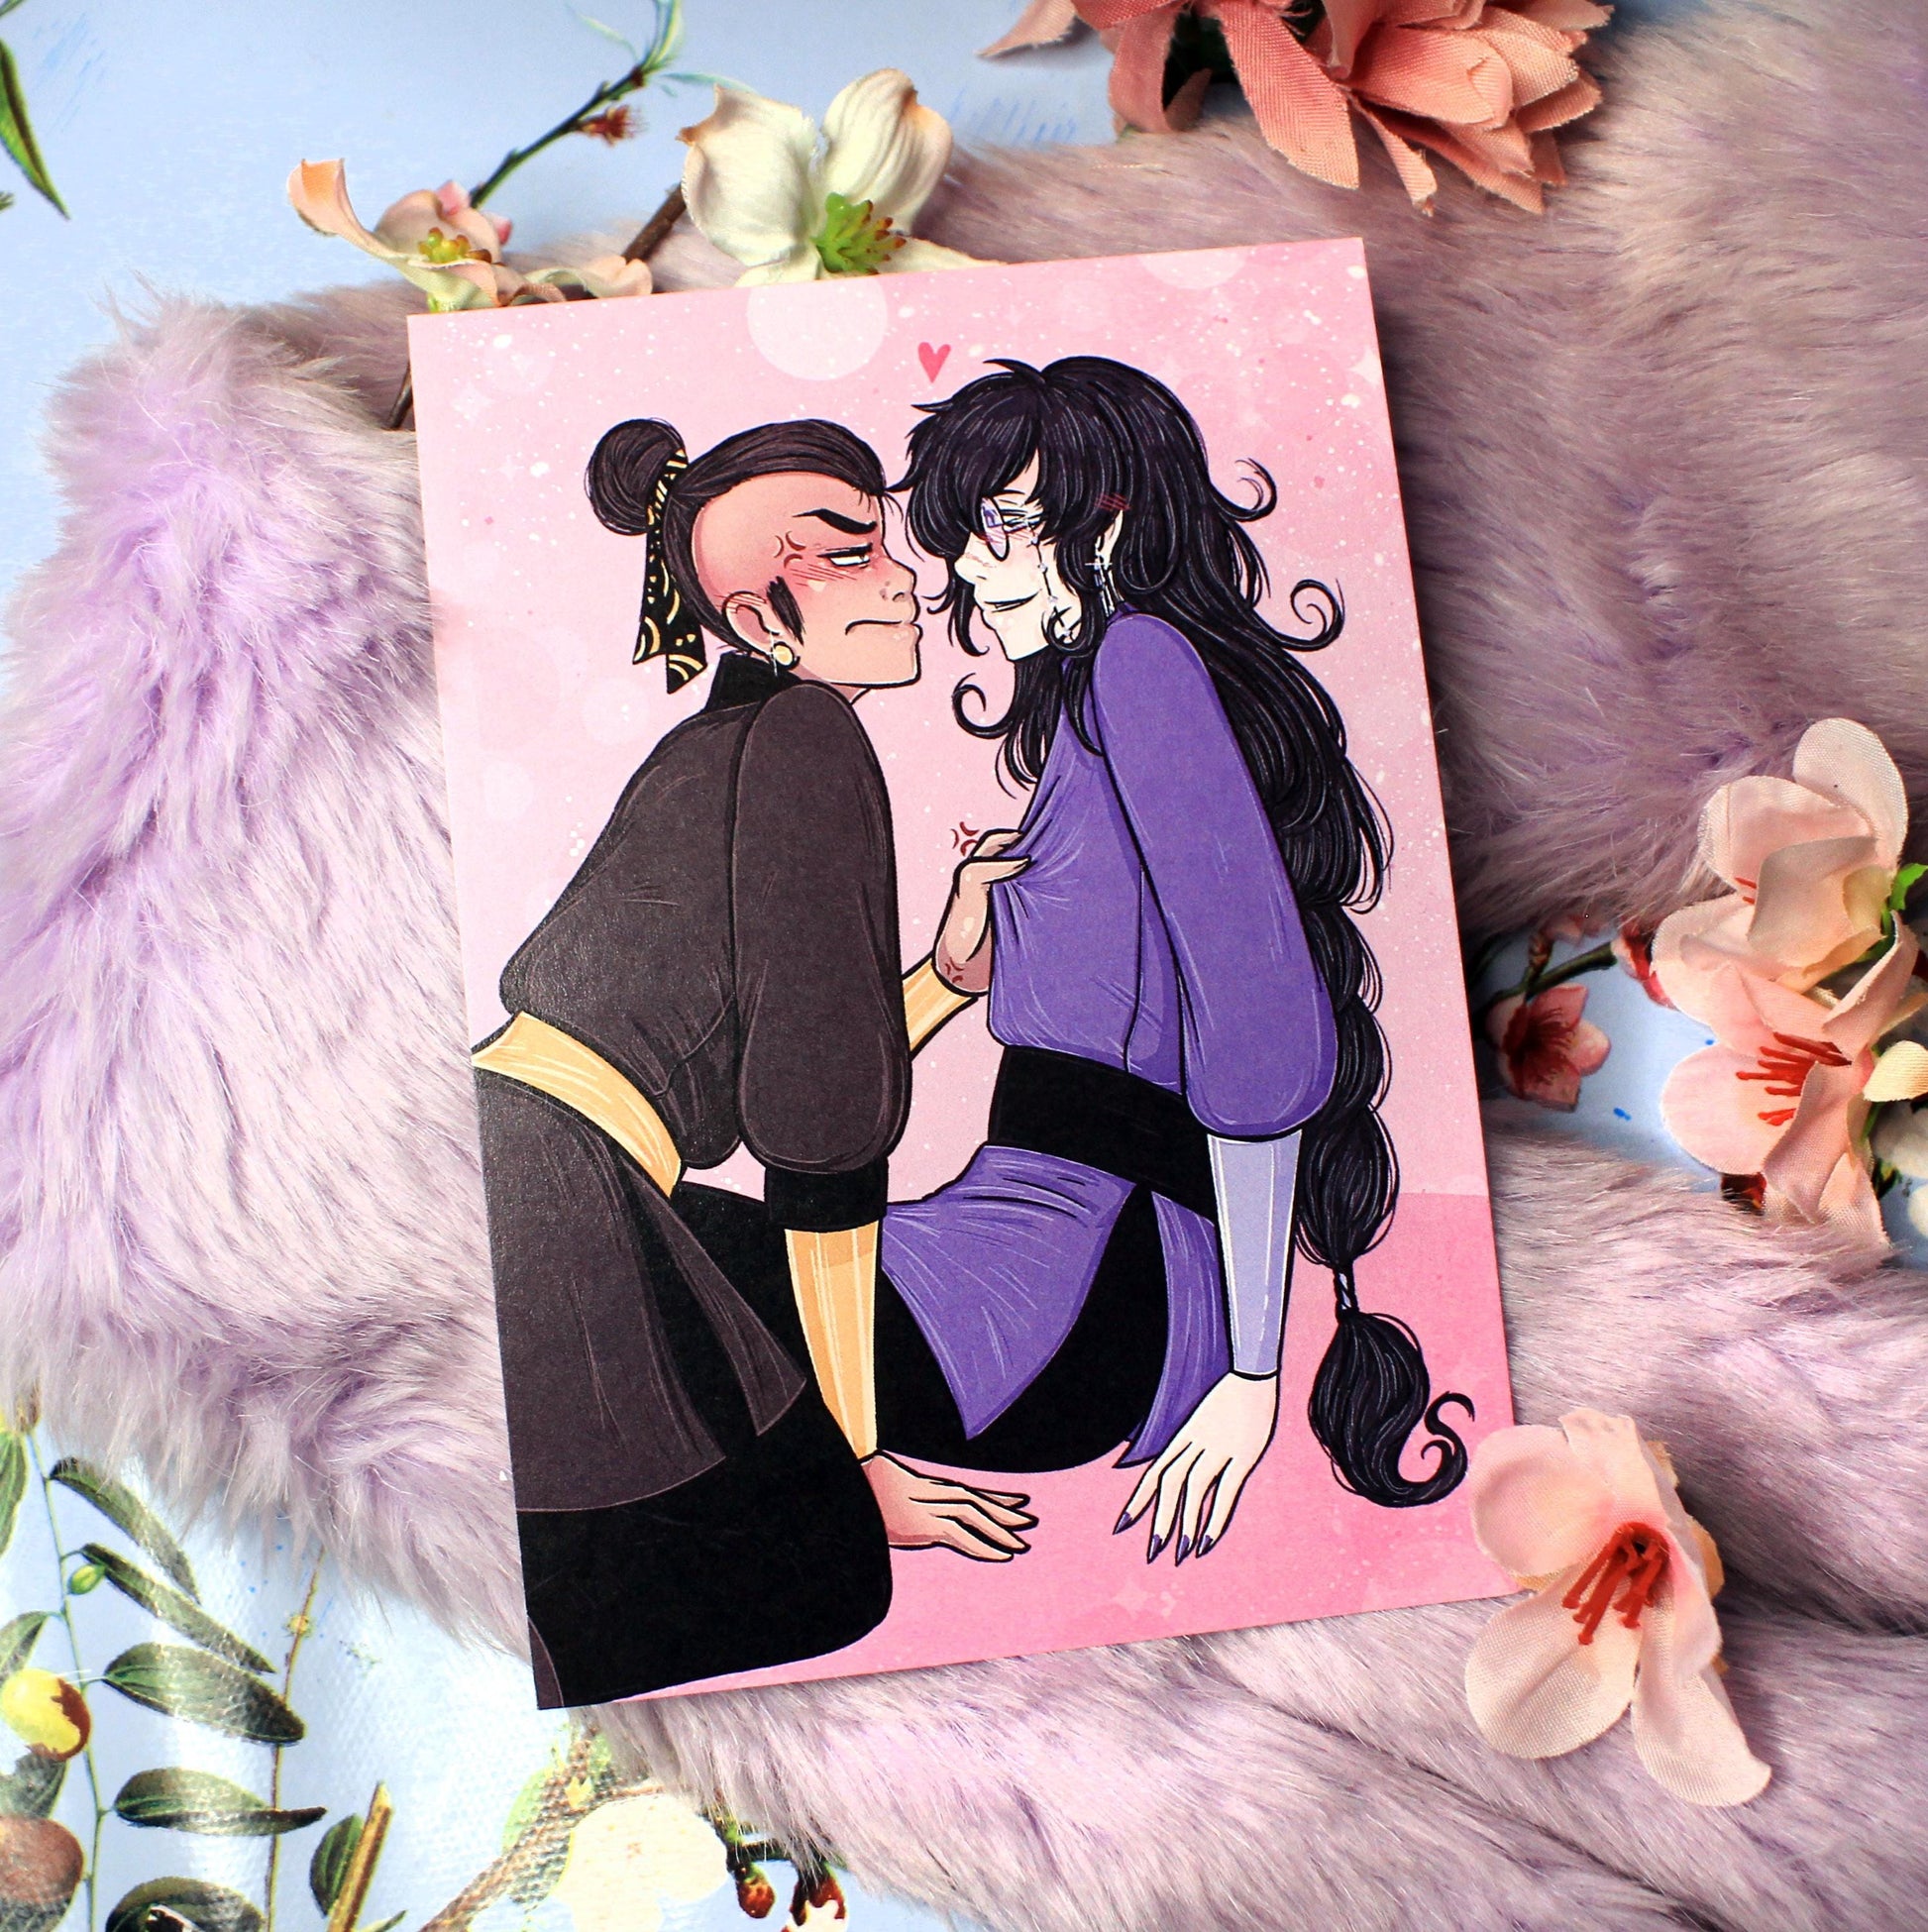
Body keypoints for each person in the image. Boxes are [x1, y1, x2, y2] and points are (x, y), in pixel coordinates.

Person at [706, 357, 1468, 1567]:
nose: (966, 570)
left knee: (641, 1243)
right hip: (1019, 1264)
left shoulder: (1139, 666)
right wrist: (967, 959)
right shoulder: (1091, 707)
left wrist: (1254, 1375)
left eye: (1004, 528)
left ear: (1106, 524)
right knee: (648, 1251)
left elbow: (1262, 1032)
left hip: (1063, 1295)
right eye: (964, 535)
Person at [475, 415, 1028, 1709]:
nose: (902, 577)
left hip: (544, 1153)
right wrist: (865, 1459)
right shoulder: (806, 740)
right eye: (850, 554)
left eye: (884, 543)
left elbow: (786, 1038)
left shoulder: (728, 741)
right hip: (566, 1194)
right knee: (827, 1574)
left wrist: (947, 981)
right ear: (757, 618)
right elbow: (820, 1141)